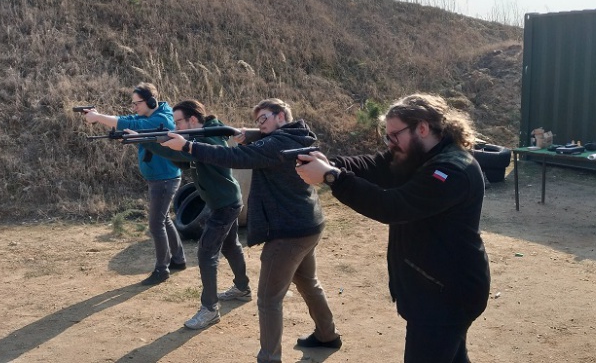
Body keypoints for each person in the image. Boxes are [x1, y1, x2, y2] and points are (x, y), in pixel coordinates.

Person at [294, 93, 491, 363]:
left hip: (447, 296)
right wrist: (332, 164)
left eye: (394, 135)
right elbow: (374, 165)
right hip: (435, 289)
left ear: (422, 128)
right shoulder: (418, 156)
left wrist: (332, 177)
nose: (390, 143)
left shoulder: (451, 170)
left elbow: (393, 207)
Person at [159, 98, 341, 363]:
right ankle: (327, 335)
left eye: (264, 118)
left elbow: (235, 157)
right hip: (307, 224)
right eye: (257, 121)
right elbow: (262, 144)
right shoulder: (297, 135)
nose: (260, 124)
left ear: (281, 116)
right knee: (307, 282)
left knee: (268, 300)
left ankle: (269, 358)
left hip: (288, 232)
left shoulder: (277, 144)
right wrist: (252, 135)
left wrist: (188, 146)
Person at [135, 99, 252, 330]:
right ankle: (242, 288)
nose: (176, 127)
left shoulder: (209, 138)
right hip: (224, 202)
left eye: (179, 122)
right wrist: (157, 142)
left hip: (225, 205)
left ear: (193, 120)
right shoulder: (199, 139)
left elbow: (191, 154)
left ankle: (210, 309)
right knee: (230, 246)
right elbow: (184, 161)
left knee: (206, 253)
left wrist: (148, 141)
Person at [81, 82, 186, 286]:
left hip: (164, 179)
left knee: (156, 224)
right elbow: (130, 121)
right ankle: (179, 259)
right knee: (164, 220)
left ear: (151, 102)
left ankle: (162, 269)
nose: (134, 107)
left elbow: (135, 125)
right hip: (160, 178)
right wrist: (104, 119)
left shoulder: (163, 119)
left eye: (137, 103)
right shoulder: (149, 116)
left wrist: (98, 117)